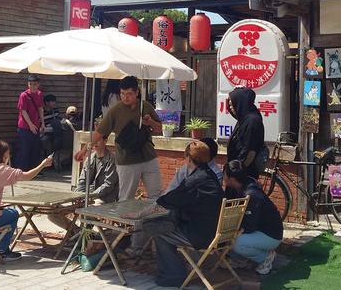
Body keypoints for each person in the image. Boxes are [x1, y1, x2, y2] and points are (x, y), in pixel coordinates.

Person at [140, 140, 224, 287]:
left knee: (159, 232)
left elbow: (167, 200)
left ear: (188, 158)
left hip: (201, 235)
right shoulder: (211, 175)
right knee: (167, 222)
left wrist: (139, 214)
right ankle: (175, 267)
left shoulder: (194, 180)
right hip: (216, 231)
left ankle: (173, 275)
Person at [76, 76, 163, 200]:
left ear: (137, 93)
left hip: (148, 156)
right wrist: (84, 150)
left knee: (157, 196)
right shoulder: (115, 111)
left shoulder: (145, 106)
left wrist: (150, 123)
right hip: (127, 160)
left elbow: (159, 128)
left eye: (129, 94)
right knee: (126, 199)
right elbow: (99, 133)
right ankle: (123, 220)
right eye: (122, 94)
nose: (125, 97)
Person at [0, 140, 53, 262]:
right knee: (13, 214)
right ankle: (2, 251)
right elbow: (27, 176)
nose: (8, 157)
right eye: (7, 155)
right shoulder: (0, 169)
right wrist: (43, 164)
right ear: (3, 155)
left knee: (4, 213)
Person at [224, 160, 283, 275]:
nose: (223, 177)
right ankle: (244, 259)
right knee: (231, 237)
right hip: (259, 230)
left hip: (271, 234)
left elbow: (249, 225)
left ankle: (265, 257)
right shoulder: (241, 186)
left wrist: (233, 232)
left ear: (232, 179)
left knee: (236, 242)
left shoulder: (252, 195)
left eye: (224, 174)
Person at [48, 137, 117, 233]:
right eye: (93, 140)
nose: (95, 143)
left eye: (98, 140)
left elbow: (108, 185)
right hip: (86, 197)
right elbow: (82, 182)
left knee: (88, 211)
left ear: (105, 141)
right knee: (52, 213)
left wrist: (90, 197)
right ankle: (76, 232)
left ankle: (84, 235)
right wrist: (77, 197)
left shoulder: (112, 159)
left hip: (104, 199)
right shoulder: (90, 158)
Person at [226, 87, 266, 179]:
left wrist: (237, 171)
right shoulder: (244, 118)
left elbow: (249, 150)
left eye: (232, 105)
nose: (231, 108)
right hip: (237, 169)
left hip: (243, 174)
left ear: (240, 103)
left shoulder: (252, 121)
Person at [15, 74, 44, 171]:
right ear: (28, 84)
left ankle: (33, 171)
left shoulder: (39, 94)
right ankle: (20, 171)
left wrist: (42, 123)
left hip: (35, 126)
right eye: (31, 84)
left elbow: (40, 108)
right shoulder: (24, 95)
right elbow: (23, 111)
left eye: (35, 84)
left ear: (38, 85)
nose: (33, 86)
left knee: (35, 149)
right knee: (24, 149)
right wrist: (31, 125)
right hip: (24, 127)